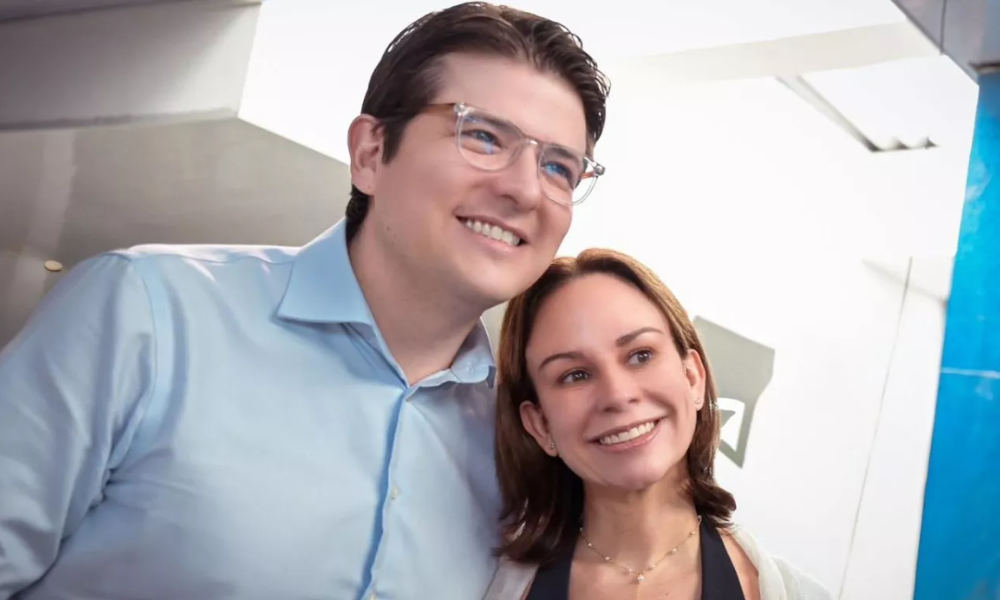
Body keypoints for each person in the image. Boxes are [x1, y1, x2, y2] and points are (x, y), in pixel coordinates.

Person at [0, 3, 610, 599]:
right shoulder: (147, 311)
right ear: (370, 153)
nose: (525, 190)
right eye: (482, 136)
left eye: (558, 168)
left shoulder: (519, 446)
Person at [484, 249, 831, 599]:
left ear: (692, 377)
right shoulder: (483, 586)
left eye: (641, 355)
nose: (618, 395)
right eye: (575, 375)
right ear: (540, 424)